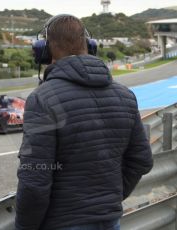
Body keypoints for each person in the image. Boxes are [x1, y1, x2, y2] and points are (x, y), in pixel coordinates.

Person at [15, 15, 153, 230]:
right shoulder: (125, 95)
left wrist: (24, 227)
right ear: (90, 46)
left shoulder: (43, 98)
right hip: (110, 220)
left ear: (44, 50)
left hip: (61, 223)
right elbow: (142, 160)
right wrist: (107, 200)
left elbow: (35, 178)